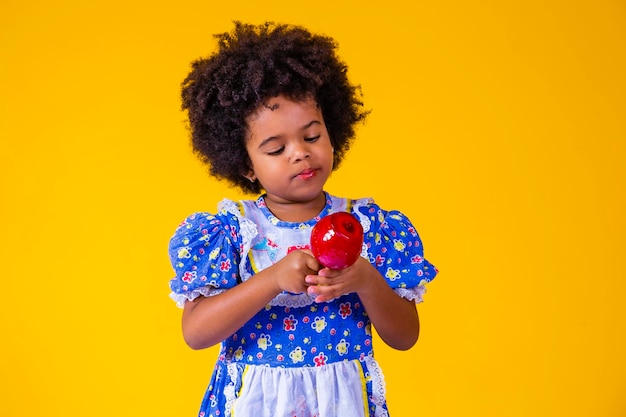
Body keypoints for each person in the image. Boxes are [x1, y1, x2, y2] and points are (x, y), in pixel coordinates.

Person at [168, 21, 438, 417]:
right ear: (246, 166)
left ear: (333, 131)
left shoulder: (366, 225)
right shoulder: (233, 233)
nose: (300, 153)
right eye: (276, 149)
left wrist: (365, 278)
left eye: (312, 137)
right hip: (256, 403)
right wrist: (273, 278)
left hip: (341, 403)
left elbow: (404, 336)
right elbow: (196, 333)